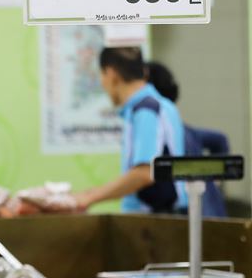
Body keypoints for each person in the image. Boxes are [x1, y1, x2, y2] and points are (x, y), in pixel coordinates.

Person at [72, 47, 188, 214]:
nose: (102, 83)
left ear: (111, 74)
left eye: (101, 75)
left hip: (154, 221)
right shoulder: (160, 105)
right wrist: (89, 192)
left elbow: (144, 173)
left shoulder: (146, 111)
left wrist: (89, 198)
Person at [147, 61, 229, 218]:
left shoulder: (168, 135)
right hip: (210, 212)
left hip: (197, 215)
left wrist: (215, 175)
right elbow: (220, 140)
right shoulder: (185, 130)